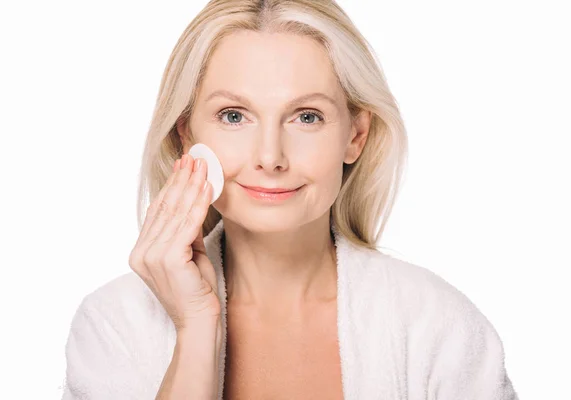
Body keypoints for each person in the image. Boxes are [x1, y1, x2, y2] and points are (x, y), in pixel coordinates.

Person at [61, 0, 519, 399]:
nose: (270, 157)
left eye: (306, 116)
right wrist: (196, 331)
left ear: (355, 136)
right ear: (187, 135)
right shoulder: (113, 325)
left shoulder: (437, 328)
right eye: (234, 115)